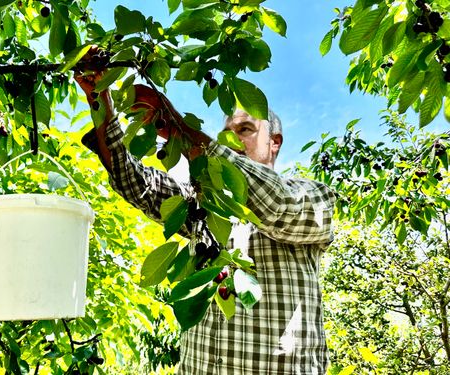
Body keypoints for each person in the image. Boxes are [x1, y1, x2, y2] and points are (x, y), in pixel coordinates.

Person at [75, 66, 336, 374]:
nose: (232, 140)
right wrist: (100, 98)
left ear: (275, 142)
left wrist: (184, 134)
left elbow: (275, 202)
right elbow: (136, 183)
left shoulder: (315, 198)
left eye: (246, 130)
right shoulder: (203, 207)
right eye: (227, 133)